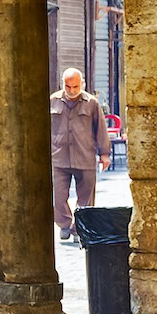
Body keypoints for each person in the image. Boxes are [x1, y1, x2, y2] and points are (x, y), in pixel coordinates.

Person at [51, 67, 112, 243]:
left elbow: (100, 129)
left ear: (82, 84)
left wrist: (104, 154)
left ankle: (79, 228)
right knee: (58, 195)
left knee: (86, 197)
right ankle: (64, 224)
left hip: (84, 155)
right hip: (59, 157)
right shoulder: (53, 101)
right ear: (62, 83)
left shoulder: (91, 103)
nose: (71, 90)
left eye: (75, 87)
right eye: (68, 86)